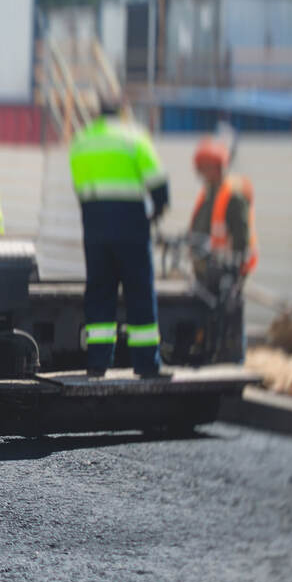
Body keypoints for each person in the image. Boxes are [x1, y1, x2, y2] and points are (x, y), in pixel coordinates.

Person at [69, 98, 169, 378]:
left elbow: (80, 187)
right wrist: (159, 207)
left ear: (98, 114)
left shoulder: (81, 141)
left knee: (100, 292)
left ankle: (97, 363)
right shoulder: (132, 137)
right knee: (139, 292)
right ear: (123, 112)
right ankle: (147, 365)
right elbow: (158, 180)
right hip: (131, 227)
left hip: (95, 227)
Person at [189, 136, 258, 361]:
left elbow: (241, 237)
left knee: (231, 316)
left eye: (208, 168)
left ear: (218, 168)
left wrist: (237, 269)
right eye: (202, 169)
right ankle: (212, 353)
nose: (204, 174)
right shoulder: (207, 196)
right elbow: (199, 229)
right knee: (212, 318)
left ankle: (234, 358)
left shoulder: (233, 195)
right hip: (209, 270)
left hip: (228, 269)